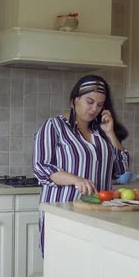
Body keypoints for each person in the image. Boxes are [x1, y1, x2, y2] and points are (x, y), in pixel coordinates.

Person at [32, 74, 129, 257]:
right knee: (62, 266)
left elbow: (121, 170)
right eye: (89, 101)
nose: (94, 109)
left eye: (100, 105)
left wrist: (110, 133)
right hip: (63, 211)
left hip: (100, 213)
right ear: (74, 99)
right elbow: (42, 167)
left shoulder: (101, 132)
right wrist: (76, 180)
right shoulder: (54, 127)